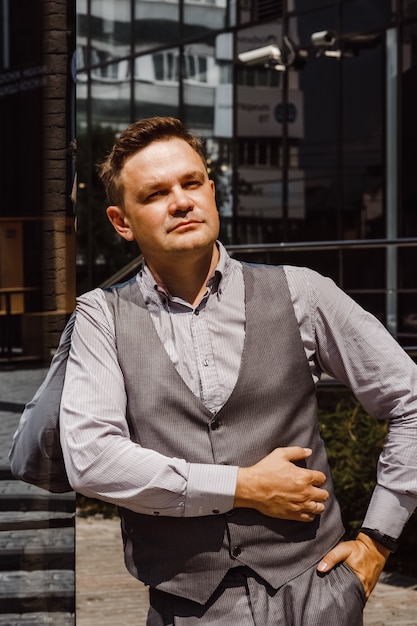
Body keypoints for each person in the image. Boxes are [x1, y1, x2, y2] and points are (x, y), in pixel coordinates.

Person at [60, 116, 417, 625]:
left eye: (190, 183)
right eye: (156, 193)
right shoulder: (101, 316)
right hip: (187, 609)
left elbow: (411, 399)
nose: (181, 201)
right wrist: (242, 487)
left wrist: (377, 542)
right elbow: (92, 458)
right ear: (122, 222)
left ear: (211, 190)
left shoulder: (301, 291)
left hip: (317, 595)